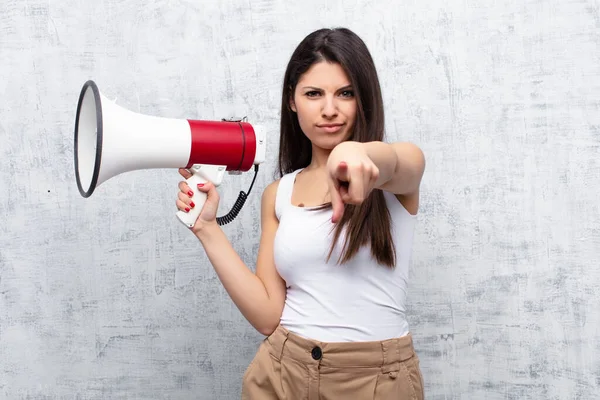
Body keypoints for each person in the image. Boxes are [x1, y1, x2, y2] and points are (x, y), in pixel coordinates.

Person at [176, 27, 426, 400]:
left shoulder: (395, 173)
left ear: (365, 100)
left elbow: (394, 162)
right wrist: (207, 228)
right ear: (292, 101)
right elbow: (266, 316)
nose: (329, 109)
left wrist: (356, 155)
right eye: (313, 94)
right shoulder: (279, 194)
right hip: (282, 372)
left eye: (346, 93)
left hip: (374, 380)